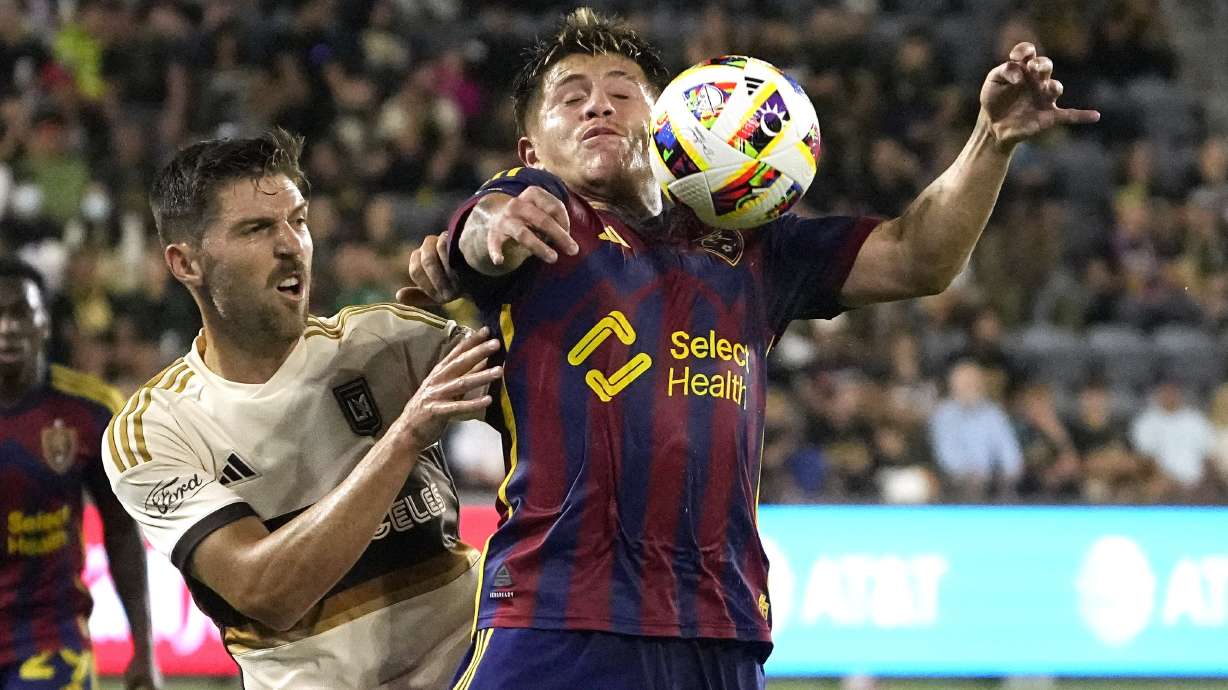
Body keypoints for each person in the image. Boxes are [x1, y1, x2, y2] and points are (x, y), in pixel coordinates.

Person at [404, 8, 1097, 689]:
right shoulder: (534, 214)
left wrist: (990, 139)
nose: (598, 108)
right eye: (570, 98)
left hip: (718, 624)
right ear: (530, 152)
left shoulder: (756, 246)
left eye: (621, 92)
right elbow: (478, 239)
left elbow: (918, 258)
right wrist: (488, 227)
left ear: (669, 119)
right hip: (555, 611)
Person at [101, 130, 503, 690]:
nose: (291, 244)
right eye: (258, 229)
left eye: (299, 220)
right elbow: (268, 593)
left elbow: (559, 392)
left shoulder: (385, 340)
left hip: (477, 670)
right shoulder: (155, 429)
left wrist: (495, 266)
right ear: (185, 263)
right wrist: (405, 436)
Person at [0, 258, 159, 690]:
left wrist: (143, 650)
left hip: (50, 638)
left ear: (44, 324)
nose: (7, 327)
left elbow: (122, 532)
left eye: (19, 313)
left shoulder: (88, 411)